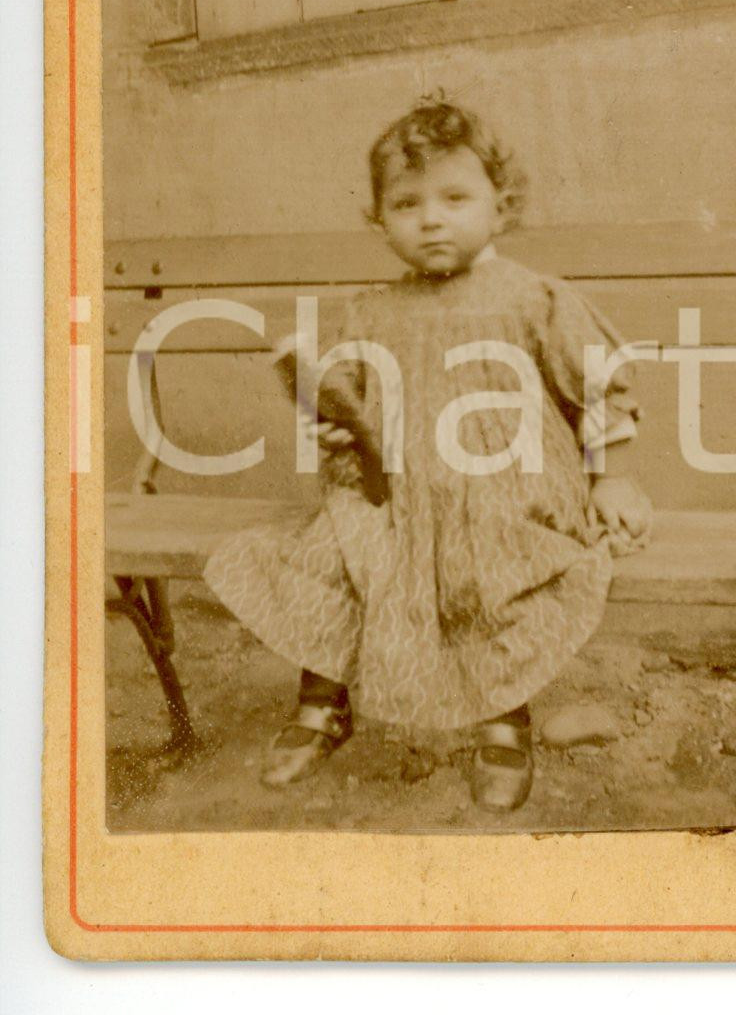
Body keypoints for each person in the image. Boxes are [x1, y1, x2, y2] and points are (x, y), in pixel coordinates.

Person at [203, 98, 652, 812]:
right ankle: (323, 705)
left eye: (454, 198)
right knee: (331, 560)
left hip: (506, 495)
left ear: (499, 208)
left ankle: (503, 719)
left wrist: (613, 478)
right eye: (406, 204)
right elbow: (349, 400)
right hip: (397, 497)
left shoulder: (531, 297)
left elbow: (598, 385)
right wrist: (336, 425)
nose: (430, 218)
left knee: (489, 574)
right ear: (380, 221)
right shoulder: (369, 311)